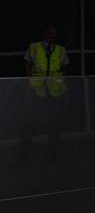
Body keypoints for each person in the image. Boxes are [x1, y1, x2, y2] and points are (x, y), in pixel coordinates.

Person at [20, 24, 69, 163]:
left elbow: (64, 71)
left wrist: (65, 90)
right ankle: (23, 155)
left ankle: (53, 155)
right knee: (29, 124)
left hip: (54, 94)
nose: (52, 35)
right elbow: (28, 67)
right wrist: (27, 88)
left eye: (54, 33)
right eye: (49, 33)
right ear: (44, 34)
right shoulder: (34, 48)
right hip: (37, 92)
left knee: (53, 126)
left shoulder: (60, 50)